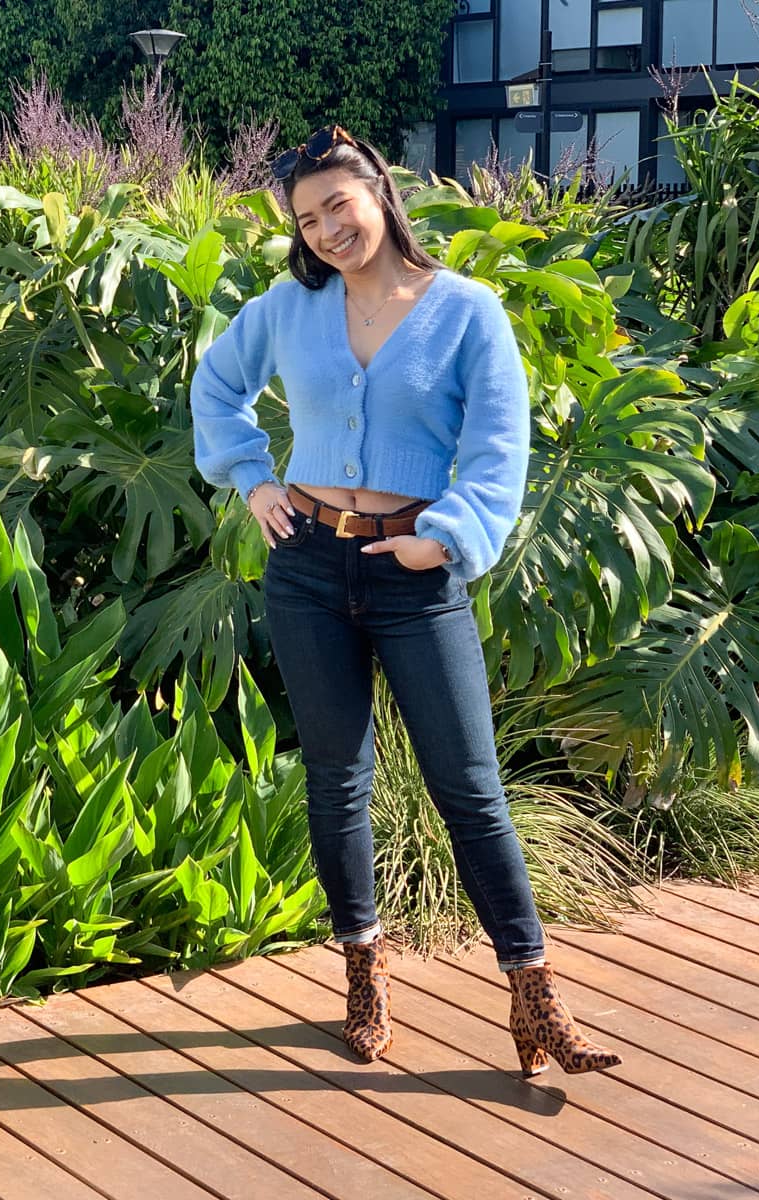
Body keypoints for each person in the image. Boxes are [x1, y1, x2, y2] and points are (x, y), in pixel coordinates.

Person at [190, 124, 621, 1076]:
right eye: (307, 220)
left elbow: (503, 447)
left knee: (468, 784)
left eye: (337, 204)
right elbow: (217, 386)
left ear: (380, 193)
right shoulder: (287, 310)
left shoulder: (468, 312)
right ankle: (364, 967)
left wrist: (451, 536)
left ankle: (533, 990)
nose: (326, 230)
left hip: (415, 575)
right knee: (336, 779)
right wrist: (253, 480)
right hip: (304, 562)